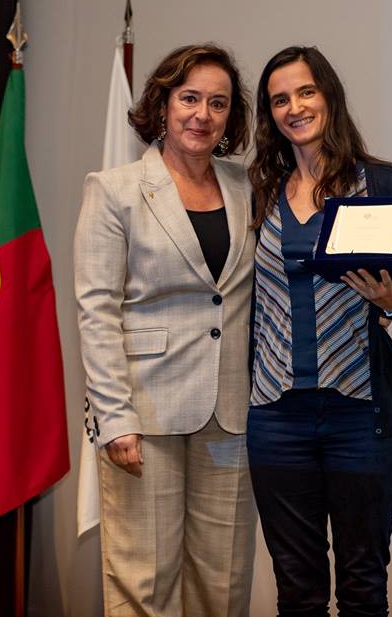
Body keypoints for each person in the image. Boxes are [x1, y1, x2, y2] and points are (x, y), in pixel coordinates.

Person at [246, 45, 392, 617]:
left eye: (305, 92)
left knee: (363, 587)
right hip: (275, 417)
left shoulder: (385, 182)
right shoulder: (259, 190)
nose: (294, 107)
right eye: (280, 99)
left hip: (361, 415)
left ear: (329, 96)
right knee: (298, 592)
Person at [74, 44, 256, 617]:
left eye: (218, 103)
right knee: (143, 583)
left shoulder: (248, 186)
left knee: (222, 584)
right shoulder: (114, 189)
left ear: (231, 117)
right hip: (142, 419)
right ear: (163, 103)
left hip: (229, 417)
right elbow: (97, 310)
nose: (203, 114)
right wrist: (114, 417)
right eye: (190, 98)